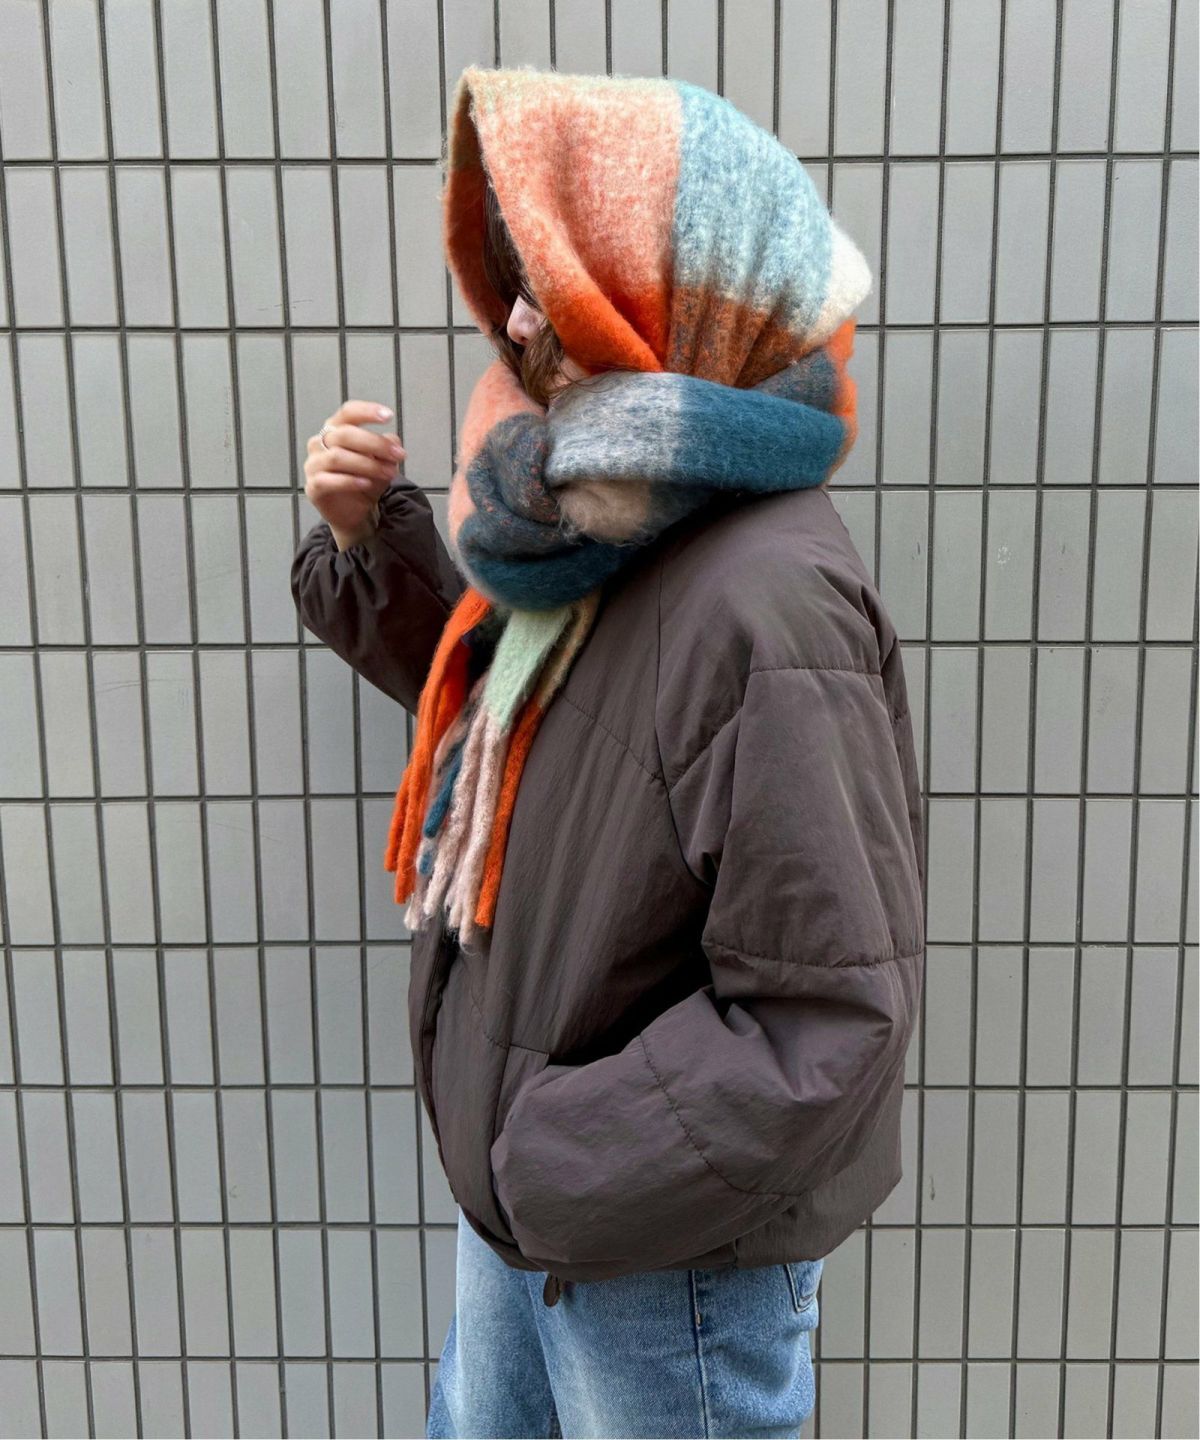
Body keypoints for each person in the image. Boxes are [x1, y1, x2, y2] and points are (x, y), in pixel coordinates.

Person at [292, 65, 925, 1440]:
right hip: (548, 1208)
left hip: (656, 1260)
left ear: (663, 294)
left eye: (549, 281)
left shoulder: (765, 602)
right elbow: (545, 737)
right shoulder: (610, 519)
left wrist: (547, 1155)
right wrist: (370, 545)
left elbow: (823, 1017)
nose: (515, 321)